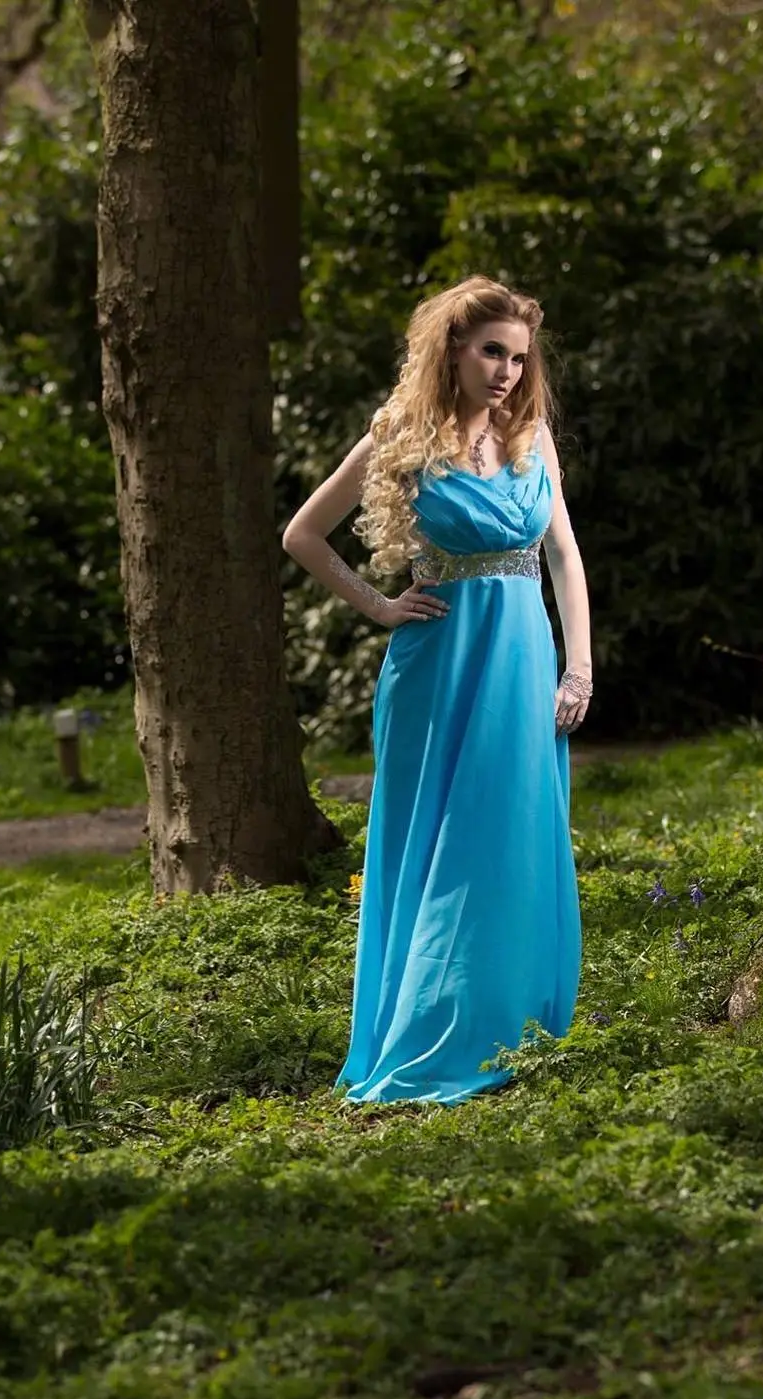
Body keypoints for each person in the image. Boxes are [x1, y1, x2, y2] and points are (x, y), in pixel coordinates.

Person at [282, 274, 591, 1104]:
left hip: (523, 665)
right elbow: (302, 534)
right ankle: (428, 1029)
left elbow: (563, 556)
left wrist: (579, 667)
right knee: (442, 847)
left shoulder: (531, 437)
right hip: (437, 670)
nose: (507, 373)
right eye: (492, 352)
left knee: (510, 833)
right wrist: (379, 605)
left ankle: (510, 1021)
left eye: (518, 359)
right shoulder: (401, 435)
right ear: (452, 349)